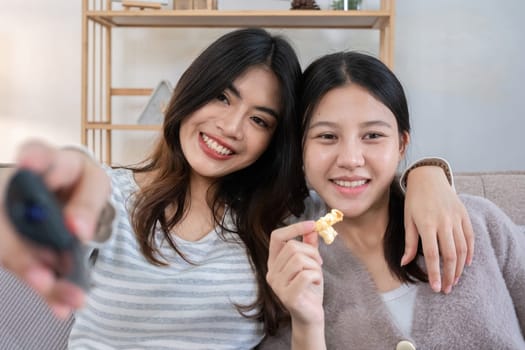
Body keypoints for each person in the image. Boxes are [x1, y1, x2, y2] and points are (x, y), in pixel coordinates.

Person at [0, 29, 472, 349]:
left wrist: (426, 174)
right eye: (222, 96)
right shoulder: (110, 195)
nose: (230, 127)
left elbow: (361, 181)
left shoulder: (288, 216)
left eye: (259, 119)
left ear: (275, 138)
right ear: (191, 90)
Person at [260, 51, 525, 349]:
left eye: (372, 135)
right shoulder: (290, 262)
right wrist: (306, 324)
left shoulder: (478, 222)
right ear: (300, 150)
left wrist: (428, 171)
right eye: (327, 137)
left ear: (401, 144)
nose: (350, 159)